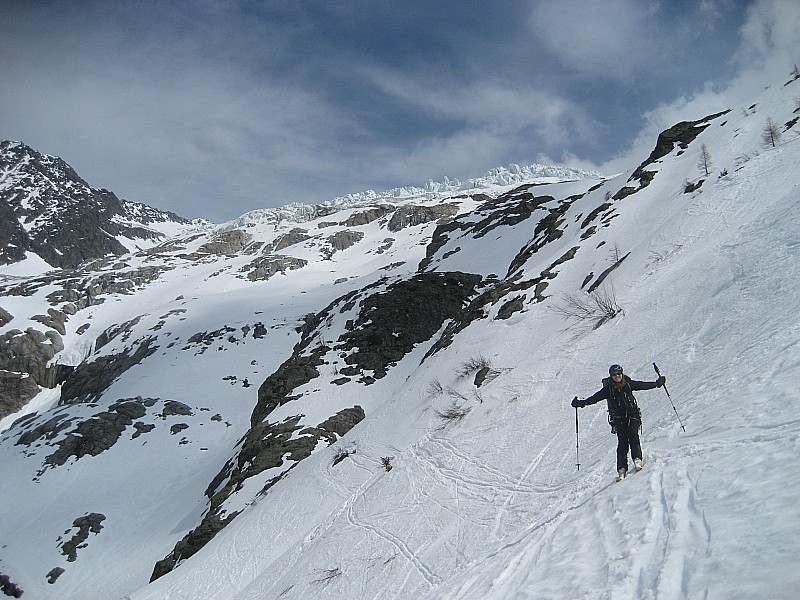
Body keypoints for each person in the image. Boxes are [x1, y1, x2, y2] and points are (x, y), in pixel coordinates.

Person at [572, 364, 665, 481]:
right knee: (622, 443)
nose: (617, 377)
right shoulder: (608, 389)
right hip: (619, 419)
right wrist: (581, 403)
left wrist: (656, 384)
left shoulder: (628, 383)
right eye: (614, 375)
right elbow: (595, 398)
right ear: (611, 376)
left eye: (619, 374)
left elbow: (642, 385)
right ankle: (622, 469)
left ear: (622, 374)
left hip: (633, 415)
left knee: (633, 434)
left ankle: (637, 459)